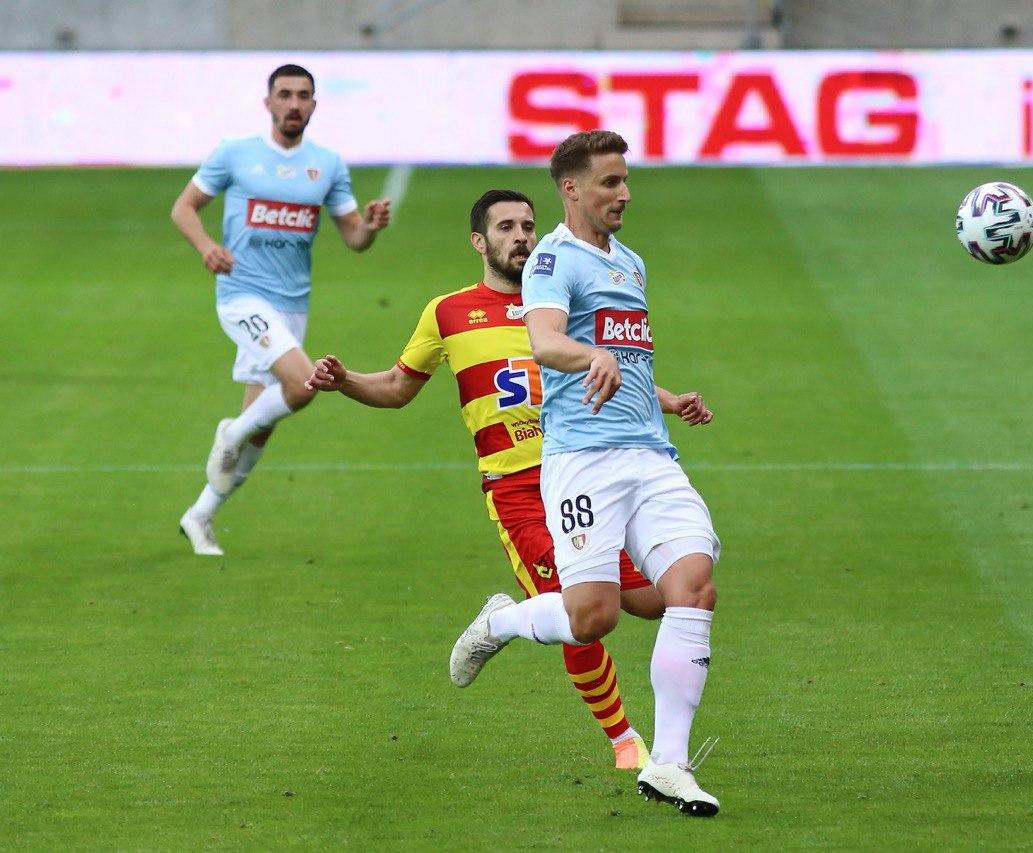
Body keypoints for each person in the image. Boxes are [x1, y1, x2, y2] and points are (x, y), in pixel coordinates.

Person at [303, 189, 712, 769]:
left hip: (586, 471)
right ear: (479, 241)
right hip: (518, 488)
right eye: (506, 227)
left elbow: (615, 369)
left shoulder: (562, 296)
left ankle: (502, 621)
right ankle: (626, 742)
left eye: (527, 225)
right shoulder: (448, 313)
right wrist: (344, 380)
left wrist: (669, 401)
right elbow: (396, 388)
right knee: (579, 612)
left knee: (650, 602)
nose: (521, 236)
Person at [449, 132, 724, 816]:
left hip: (650, 456)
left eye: (625, 180)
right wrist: (587, 356)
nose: (624, 193)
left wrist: (664, 399)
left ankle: (669, 763)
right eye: (610, 182)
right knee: (593, 617)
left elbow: (627, 357)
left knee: (690, 587)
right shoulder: (551, 259)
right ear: (571, 189)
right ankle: (504, 621)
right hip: (583, 462)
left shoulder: (630, 262)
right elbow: (544, 340)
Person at [171, 63, 391, 556]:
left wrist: (370, 226)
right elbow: (183, 208)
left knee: (261, 424)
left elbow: (354, 238)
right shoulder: (235, 153)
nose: (294, 103)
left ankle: (200, 514)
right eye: (285, 94)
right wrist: (207, 247)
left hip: (292, 305)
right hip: (242, 294)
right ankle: (229, 434)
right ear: (267, 102)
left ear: (314, 104)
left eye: (303, 95)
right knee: (302, 385)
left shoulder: (327, 165)